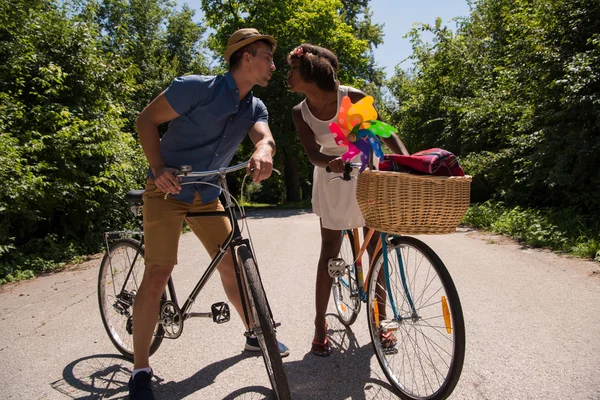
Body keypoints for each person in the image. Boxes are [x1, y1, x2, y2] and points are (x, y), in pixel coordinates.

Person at [129, 28, 289, 399]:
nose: (273, 64)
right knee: (158, 273)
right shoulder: (196, 89)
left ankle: (254, 333)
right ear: (246, 58)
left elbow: (264, 136)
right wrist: (158, 169)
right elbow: (146, 121)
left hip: (207, 193)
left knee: (232, 263)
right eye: (267, 56)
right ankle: (140, 370)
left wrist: (264, 150)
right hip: (167, 190)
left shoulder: (254, 107)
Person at [287, 44, 409, 357]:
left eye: (292, 70)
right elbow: (313, 153)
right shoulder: (299, 112)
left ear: (310, 76)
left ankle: (381, 320)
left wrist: (406, 161)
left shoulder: (351, 97)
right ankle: (319, 324)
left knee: (375, 248)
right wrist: (330, 163)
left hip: (366, 170)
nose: (287, 76)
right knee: (329, 251)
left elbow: (384, 132)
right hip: (331, 176)